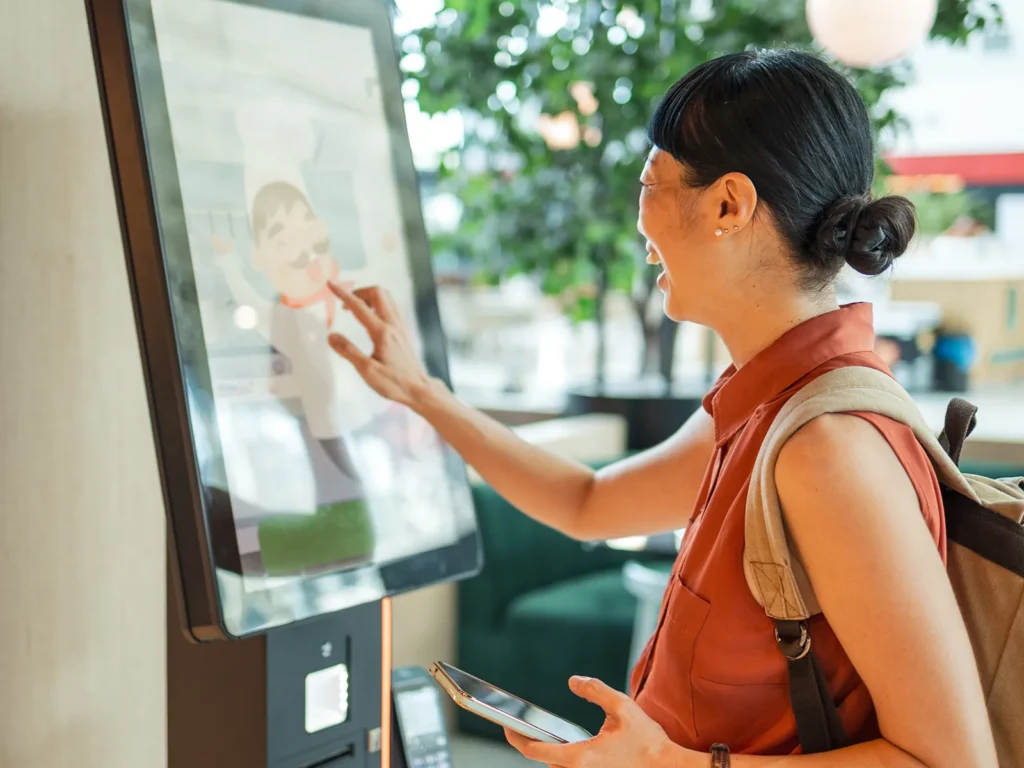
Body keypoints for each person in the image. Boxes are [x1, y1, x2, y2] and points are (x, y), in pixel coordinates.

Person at [325, 50, 996, 767]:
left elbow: (947, 760)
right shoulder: (764, 403)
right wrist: (421, 393)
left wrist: (662, 761)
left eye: (650, 182)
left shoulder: (827, 447)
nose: (638, 221)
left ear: (729, 205)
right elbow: (587, 502)